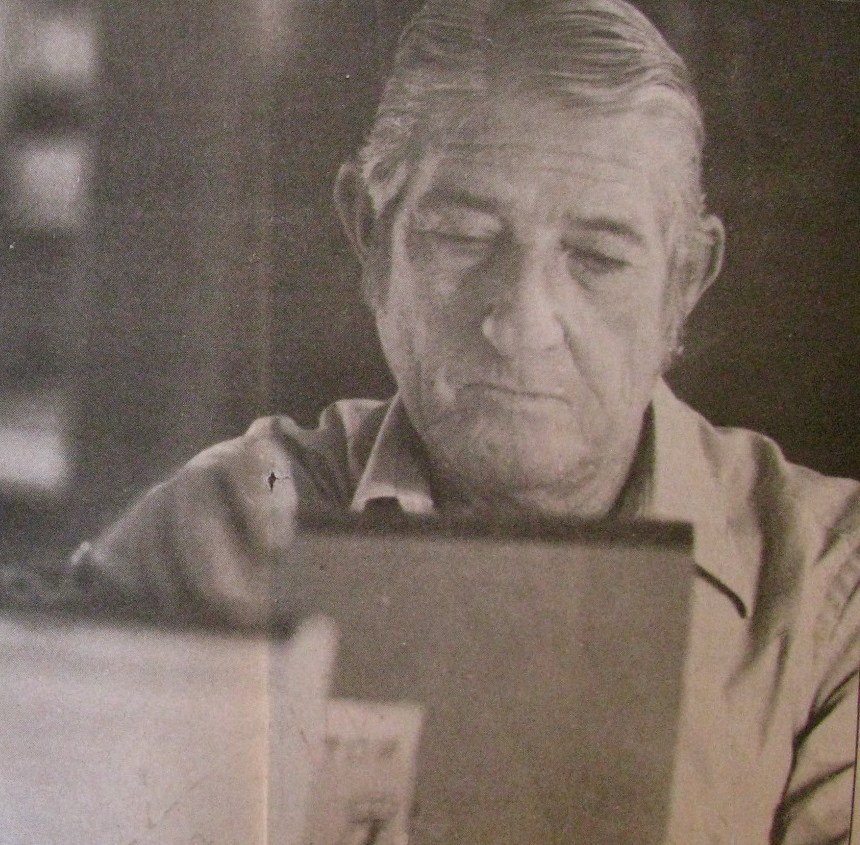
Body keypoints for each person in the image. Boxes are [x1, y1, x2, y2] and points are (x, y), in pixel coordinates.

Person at [66, 0, 860, 841]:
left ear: (684, 282)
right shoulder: (234, 522)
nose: (522, 321)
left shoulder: (828, 590)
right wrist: (141, 613)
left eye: (597, 258)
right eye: (464, 235)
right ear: (370, 235)